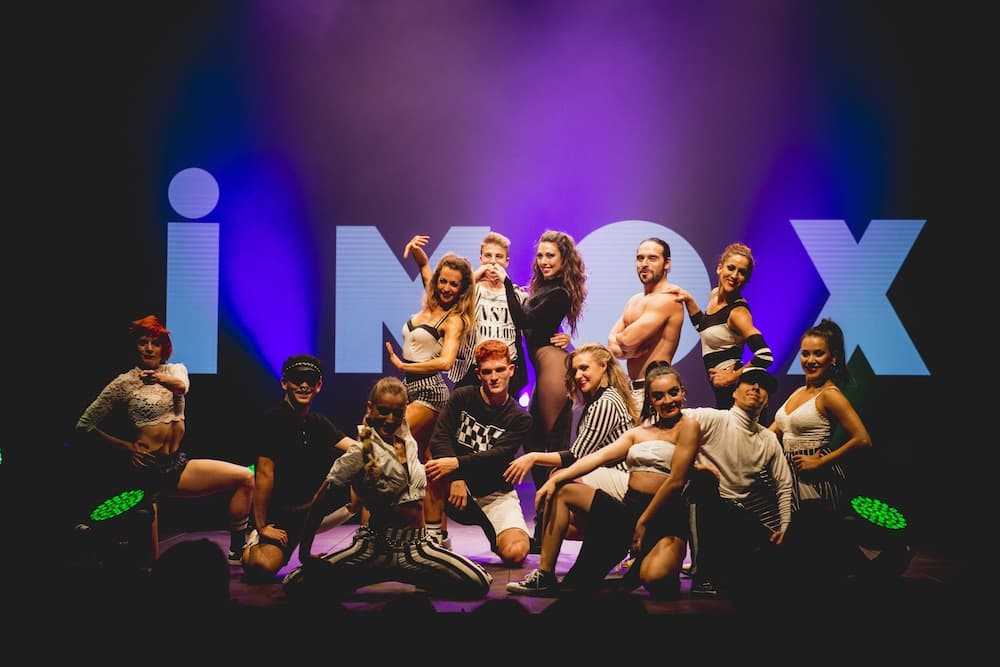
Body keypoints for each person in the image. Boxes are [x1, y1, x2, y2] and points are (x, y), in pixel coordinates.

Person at [281, 376, 492, 601]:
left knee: (479, 582)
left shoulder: (405, 437)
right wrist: (305, 554)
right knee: (295, 584)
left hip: (417, 548)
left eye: (397, 412)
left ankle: (415, 575)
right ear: (370, 408)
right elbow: (320, 500)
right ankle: (358, 576)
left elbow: (431, 407)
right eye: (382, 411)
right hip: (375, 549)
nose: (390, 419)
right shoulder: (361, 451)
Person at [507, 363, 699, 598]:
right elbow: (597, 457)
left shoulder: (688, 427)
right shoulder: (640, 432)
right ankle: (544, 576)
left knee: (656, 580)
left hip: (664, 517)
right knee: (563, 490)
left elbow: (676, 481)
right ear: (650, 399)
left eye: (673, 392)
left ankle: (650, 561)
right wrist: (555, 480)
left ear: (682, 392)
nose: (667, 400)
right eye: (658, 396)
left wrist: (643, 523)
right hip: (630, 511)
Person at [75, 315, 255, 564]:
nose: (149, 348)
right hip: (144, 473)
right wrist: (127, 447)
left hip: (174, 465)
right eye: (143, 342)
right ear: (136, 347)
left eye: (155, 343)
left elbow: (181, 387)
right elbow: (84, 425)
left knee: (245, 477)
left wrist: (158, 378)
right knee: (148, 561)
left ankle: (237, 550)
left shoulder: (175, 370)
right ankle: (96, 538)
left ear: (164, 348)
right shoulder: (124, 382)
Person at [385, 243, 477, 549]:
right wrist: (417, 254)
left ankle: (386, 525)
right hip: (408, 389)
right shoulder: (430, 300)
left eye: (454, 284)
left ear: (462, 289)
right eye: (443, 281)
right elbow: (426, 270)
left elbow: (446, 362)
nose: (447, 288)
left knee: (387, 442)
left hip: (430, 392)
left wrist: (404, 365)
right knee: (431, 466)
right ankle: (437, 536)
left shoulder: (454, 319)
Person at [770, 318, 874, 584]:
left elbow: (863, 439)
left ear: (833, 358)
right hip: (789, 475)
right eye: (805, 353)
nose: (810, 360)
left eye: (818, 353)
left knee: (813, 556)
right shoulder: (797, 392)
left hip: (817, 480)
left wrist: (821, 462)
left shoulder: (830, 394)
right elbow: (772, 434)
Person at [240, 354, 358, 582]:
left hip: (311, 512)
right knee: (261, 567)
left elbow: (357, 448)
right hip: (282, 517)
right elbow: (264, 473)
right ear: (284, 383)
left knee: (367, 469)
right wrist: (262, 526)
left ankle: (371, 545)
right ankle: (253, 540)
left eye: (310, 380)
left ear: (318, 385)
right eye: (297, 379)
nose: (304, 385)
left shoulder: (317, 422)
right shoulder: (273, 420)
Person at [503, 343, 640, 539]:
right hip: (611, 476)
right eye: (575, 370)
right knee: (561, 519)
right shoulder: (599, 399)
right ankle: (613, 534)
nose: (578, 375)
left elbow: (575, 456)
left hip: (623, 479)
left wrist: (533, 458)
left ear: (603, 366)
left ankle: (620, 532)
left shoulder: (605, 402)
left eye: (584, 368)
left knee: (560, 479)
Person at [683, 366, 794, 601]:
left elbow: (784, 486)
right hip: (702, 507)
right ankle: (702, 574)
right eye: (750, 381)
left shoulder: (768, 439)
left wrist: (784, 527)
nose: (756, 387)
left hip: (736, 517)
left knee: (775, 569)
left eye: (763, 386)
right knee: (703, 482)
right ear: (734, 391)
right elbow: (667, 423)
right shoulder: (713, 418)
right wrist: (691, 466)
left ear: (767, 401)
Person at [426, 339, 534, 565]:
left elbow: (498, 456)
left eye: (500, 370)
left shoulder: (520, 417)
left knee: (516, 552)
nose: (494, 377)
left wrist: (457, 465)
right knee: (433, 467)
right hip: (455, 487)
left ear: (511, 370)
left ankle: (500, 534)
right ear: (478, 374)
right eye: (487, 371)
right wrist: (456, 477)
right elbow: (439, 439)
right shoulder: (462, 397)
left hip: (495, 494)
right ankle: (435, 540)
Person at [496, 229, 587, 494]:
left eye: (550, 256)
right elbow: (540, 322)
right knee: (533, 439)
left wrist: (505, 282)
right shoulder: (545, 289)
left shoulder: (559, 293)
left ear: (563, 260)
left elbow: (523, 320)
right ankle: (546, 503)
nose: (544, 261)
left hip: (554, 371)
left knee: (552, 445)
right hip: (547, 369)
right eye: (540, 256)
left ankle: (557, 505)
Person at [668, 241, 774, 409]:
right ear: (720, 268)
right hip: (723, 394)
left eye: (742, 272)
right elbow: (704, 327)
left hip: (738, 396)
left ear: (746, 279)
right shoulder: (715, 295)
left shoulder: (738, 313)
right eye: (731, 268)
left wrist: (732, 377)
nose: (734, 275)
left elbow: (765, 356)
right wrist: (688, 299)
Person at [608, 237, 686, 406]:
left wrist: (622, 342)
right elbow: (613, 346)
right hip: (632, 391)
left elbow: (627, 340)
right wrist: (622, 346)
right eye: (640, 258)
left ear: (667, 263)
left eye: (652, 258)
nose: (644, 264)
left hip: (655, 392)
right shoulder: (634, 300)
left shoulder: (668, 299)